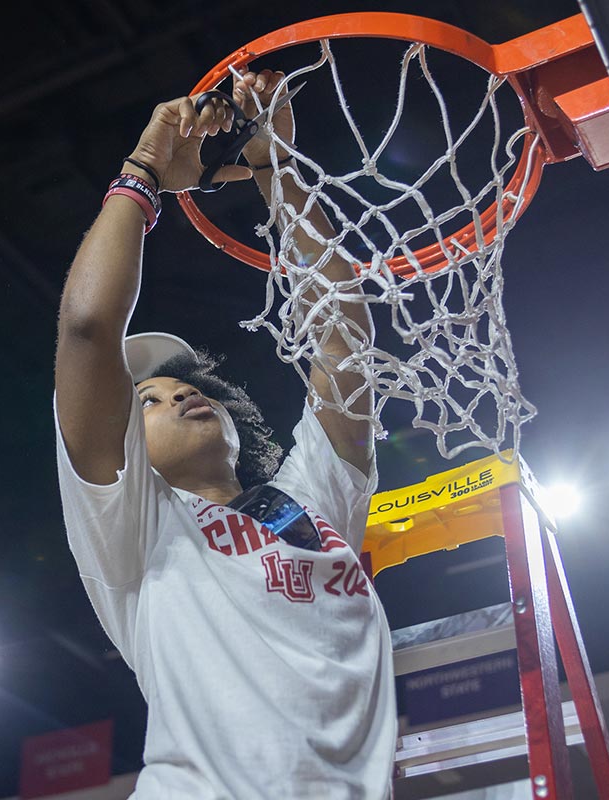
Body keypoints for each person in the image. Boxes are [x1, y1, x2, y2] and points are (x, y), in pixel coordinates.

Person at [53, 70, 396, 798]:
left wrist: (280, 172)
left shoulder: (312, 503)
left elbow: (344, 340)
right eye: (148, 399)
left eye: (185, 387)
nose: (178, 394)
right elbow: (88, 328)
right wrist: (143, 169)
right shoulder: (134, 528)